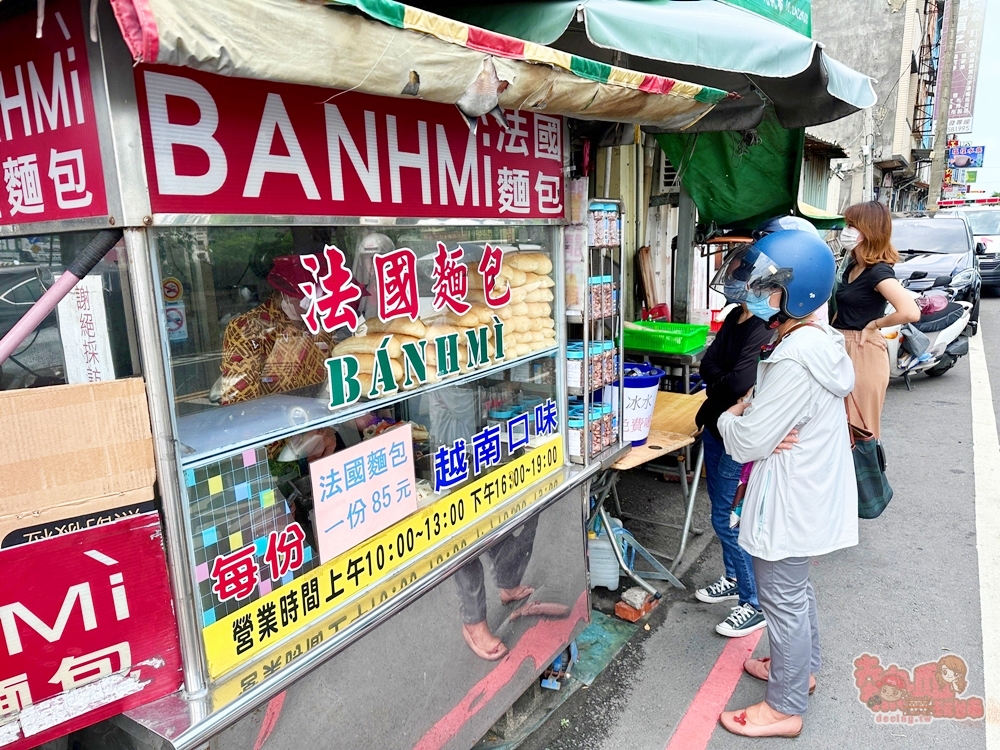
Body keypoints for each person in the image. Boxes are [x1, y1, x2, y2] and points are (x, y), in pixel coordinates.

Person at [710, 229, 859, 738]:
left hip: (792, 496)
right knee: (794, 592)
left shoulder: (796, 357)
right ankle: (801, 670)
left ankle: (786, 706)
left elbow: (748, 438)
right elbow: (765, 427)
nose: (755, 291)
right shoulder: (812, 338)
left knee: (783, 597)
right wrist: (756, 418)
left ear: (798, 293)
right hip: (802, 490)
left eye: (767, 285)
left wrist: (733, 417)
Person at [694, 293, 773, 638]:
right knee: (719, 507)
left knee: (726, 516)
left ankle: (753, 602)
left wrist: (721, 380)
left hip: (736, 432)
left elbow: (742, 382)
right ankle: (732, 576)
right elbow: (706, 365)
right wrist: (722, 380)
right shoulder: (732, 318)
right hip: (715, 422)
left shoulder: (762, 325)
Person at [833, 202, 919, 438]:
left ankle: (867, 475)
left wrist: (875, 324)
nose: (846, 230)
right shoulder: (852, 265)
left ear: (868, 230)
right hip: (841, 345)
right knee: (835, 427)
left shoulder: (878, 271)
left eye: (852, 225)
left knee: (860, 428)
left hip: (863, 349)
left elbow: (910, 311)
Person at [219, 254, 335, 406]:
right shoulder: (247, 328)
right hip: (278, 423)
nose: (317, 302)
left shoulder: (320, 323)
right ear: (285, 294)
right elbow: (240, 401)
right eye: (309, 295)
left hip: (324, 417)